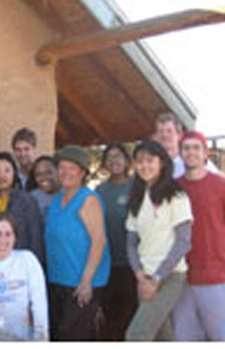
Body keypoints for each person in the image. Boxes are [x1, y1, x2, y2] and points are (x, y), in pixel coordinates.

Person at [172, 131, 225, 341]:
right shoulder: (173, 187)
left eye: (196, 148)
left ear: (206, 154)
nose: (191, 152)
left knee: (222, 338)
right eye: (186, 148)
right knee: (184, 339)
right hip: (181, 278)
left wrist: (214, 245)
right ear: (180, 153)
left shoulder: (224, 187)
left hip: (215, 278)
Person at [125, 140, 193, 341]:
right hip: (144, 276)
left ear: (162, 162)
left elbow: (183, 242)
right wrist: (140, 276)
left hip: (169, 277)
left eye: (150, 160)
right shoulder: (137, 197)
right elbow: (131, 242)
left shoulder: (176, 195)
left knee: (136, 336)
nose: (144, 166)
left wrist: (156, 279)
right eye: (139, 161)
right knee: (163, 335)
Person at [44, 145, 110, 341]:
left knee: (72, 337)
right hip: (58, 280)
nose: (65, 172)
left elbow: (99, 240)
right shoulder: (57, 200)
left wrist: (86, 281)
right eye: (61, 167)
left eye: (71, 168)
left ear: (82, 172)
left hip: (80, 284)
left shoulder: (87, 199)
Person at [96, 143, 137, 341]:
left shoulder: (137, 186)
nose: (114, 161)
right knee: (108, 318)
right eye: (109, 157)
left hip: (132, 265)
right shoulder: (100, 190)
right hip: (106, 265)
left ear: (127, 160)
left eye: (118, 156)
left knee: (129, 317)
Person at [0, 152, 44, 264]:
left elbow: (36, 239)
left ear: (14, 173)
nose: (2, 176)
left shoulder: (27, 201)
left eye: (7, 170)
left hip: (22, 265)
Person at [153, 112, 219, 178]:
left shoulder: (195, 160)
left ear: (179, 135)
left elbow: (219, 181)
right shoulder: (152, 164)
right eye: (161, 131)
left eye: (169, 131)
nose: (164, 135)